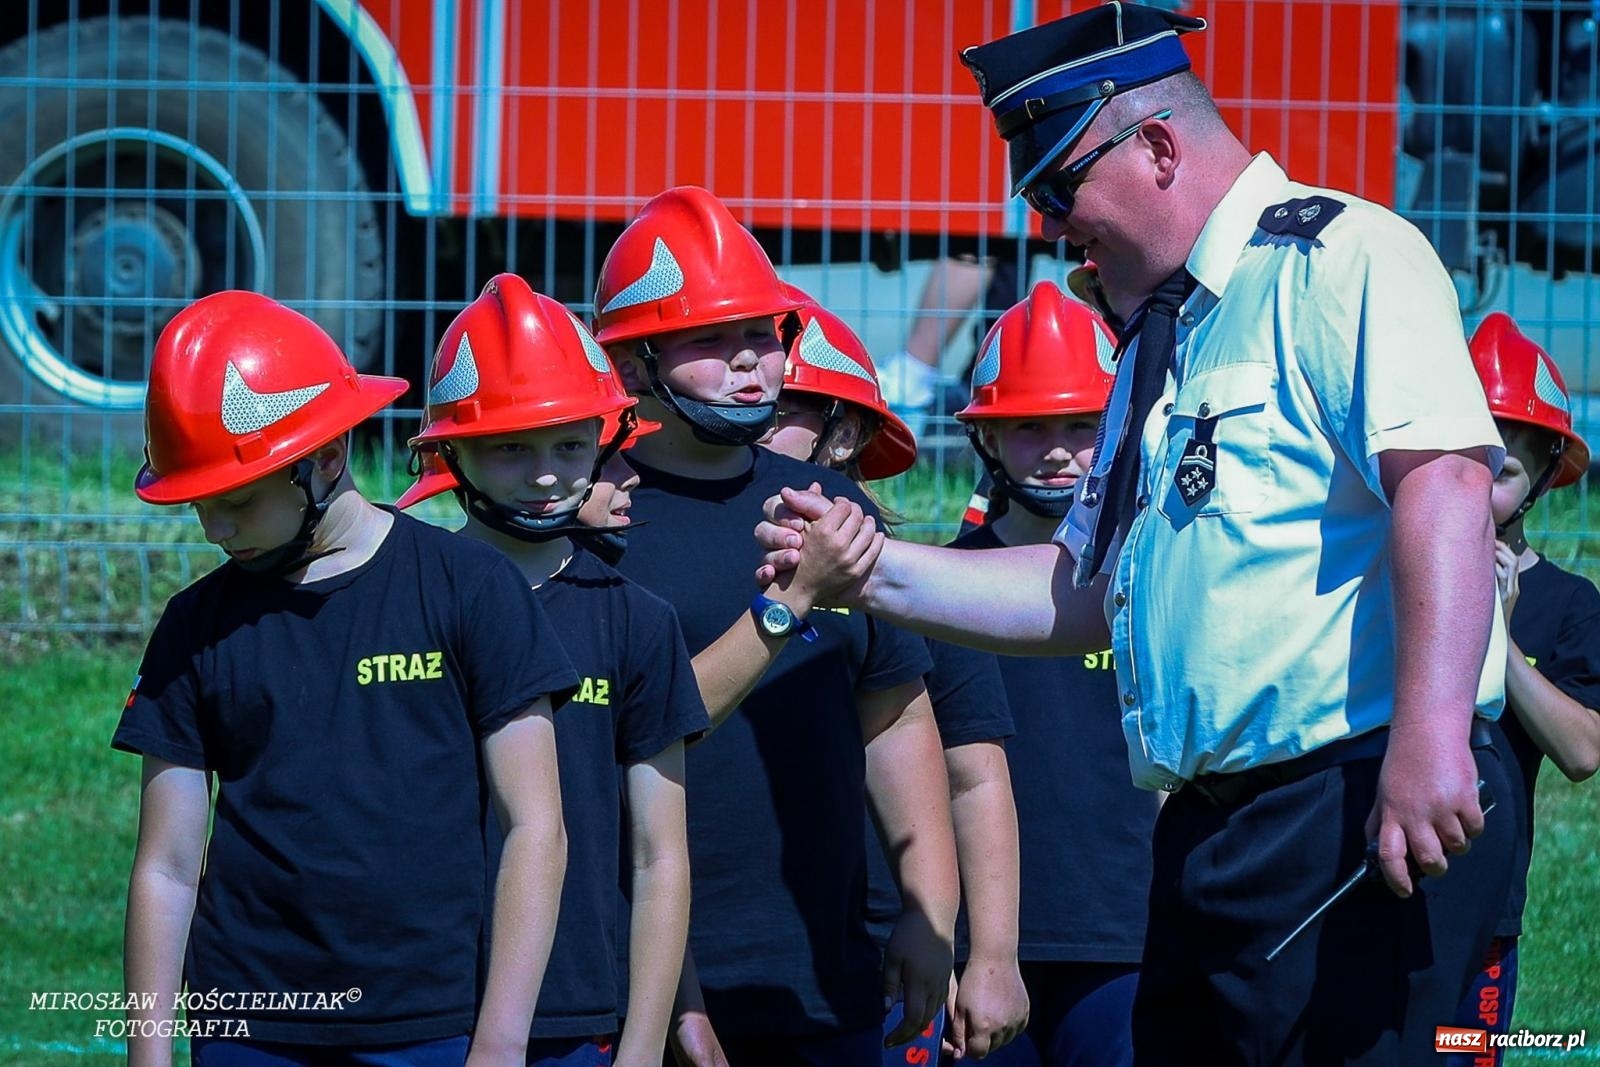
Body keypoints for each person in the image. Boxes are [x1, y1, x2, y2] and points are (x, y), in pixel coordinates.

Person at [752, 4, 1514, 1062]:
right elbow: (1084, 585)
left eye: (1060, 188)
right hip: (1215, 828)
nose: (1051, 226)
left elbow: (1443, 485)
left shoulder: (1341, 257)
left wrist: (1430, 736)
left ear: (1155, 144)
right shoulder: (1172, 329)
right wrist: (865, 569)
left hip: (1349, 798)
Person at [115, 291, 577, 1067]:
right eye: (199, 506)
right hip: (249, 1024)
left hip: (432, 1024)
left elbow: (537, 826)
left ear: (327, 459)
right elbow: (164, 865)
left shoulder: (469, 587)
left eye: (237, 501)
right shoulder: (194, 626)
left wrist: (500, 1039)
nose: (215, 529)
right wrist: (149, 1050)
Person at [590, 185, 960, 1065]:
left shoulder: (829, 501)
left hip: (819, 969)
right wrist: (671, 993)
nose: (751, 362)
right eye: (711, 342)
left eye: (762, 334)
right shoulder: (602, 520)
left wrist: (927, 908)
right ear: (637, 365)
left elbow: (897, 717)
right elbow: (627, 741)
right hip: (647, 969)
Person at [396, 274, 711, 1067]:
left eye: (570, 445)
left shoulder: (637, 620)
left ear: (606, 442)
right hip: (406, 1012)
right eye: (511, 446)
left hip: (576, 1014)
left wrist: (641, 1047)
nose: (545, 473)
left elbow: (658, 855)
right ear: (448, 452)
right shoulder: (394, 601)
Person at [763, 291, 1030, 1062]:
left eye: (780, 408)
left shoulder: (922, 590)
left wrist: (973, 944)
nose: (746, 415)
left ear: (844, 432)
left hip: (881, 947)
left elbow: (973, 776)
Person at [946, 282, 1157, 1067]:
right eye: (1029, 427)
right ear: (987, 442)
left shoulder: (1154, 579)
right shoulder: (942, 587)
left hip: (1130, 930)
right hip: (981, 945)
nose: (1061, 448)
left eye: (1081, 424)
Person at [1444, 313, 1600, 1065]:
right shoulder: (1389, 576)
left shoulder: (1568, 603)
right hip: (1380, 883)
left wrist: (1498, 641)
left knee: (1462, 1052)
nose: (1475, 489)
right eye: (1459, 462)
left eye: (1500, 471)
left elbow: (1580, 749)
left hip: (1484, 906)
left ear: (1543, 473)